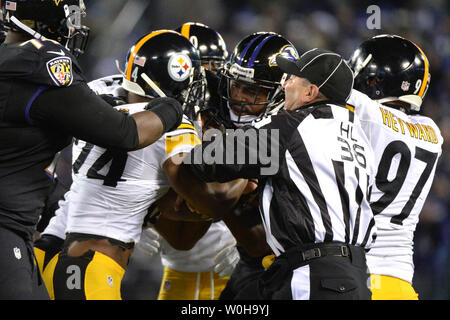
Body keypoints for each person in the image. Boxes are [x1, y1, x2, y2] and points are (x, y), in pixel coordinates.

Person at [33, 29, 248, 300]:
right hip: (91, 264)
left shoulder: (100, 101)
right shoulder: (172, 126)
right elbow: (211, 201)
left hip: (48, 247)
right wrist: (246, 173)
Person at [0, 0, 183, 300]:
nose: (75, 26)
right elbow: (125, 133)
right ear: (44, 18)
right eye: (71, 16)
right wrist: (172, 107)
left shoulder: (12, 60)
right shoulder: (42, 62)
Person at [178, 47, 378, 300]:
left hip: (314, 275)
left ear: (310, 92)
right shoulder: (358, 137)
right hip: (356, 276)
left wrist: (188, 126)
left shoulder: (293, 124)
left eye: (293, 78)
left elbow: (206, 160)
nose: (285, 85)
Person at [347, 34, 443, 300]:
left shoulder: (367, 114)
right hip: (399, 282)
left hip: (355, 276)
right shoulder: (432, 132)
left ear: (380, 80)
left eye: (367, 76)